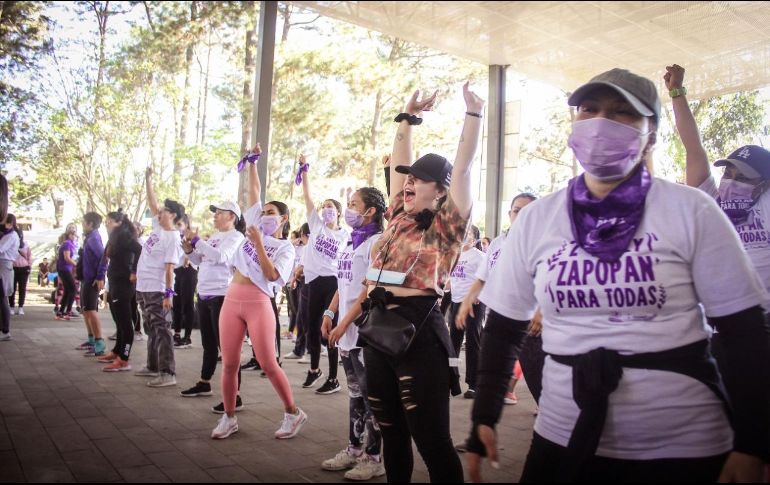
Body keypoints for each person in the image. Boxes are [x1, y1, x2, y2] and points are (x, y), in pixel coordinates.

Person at [465, 68, 770, 483]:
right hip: (561, 431)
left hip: (684, 442)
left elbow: (744, 331)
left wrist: (753, 443)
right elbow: (503, 326)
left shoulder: (692, 210)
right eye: (589, 109)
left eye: (623, 113)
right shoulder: (538, 218)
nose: (601, 123)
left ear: (652, 133)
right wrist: (484, 414)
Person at [333, 83, 483, 483]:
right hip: (378, 327)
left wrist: (474, 114)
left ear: (442, 191)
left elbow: (464, 167)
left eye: (420, 179)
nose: (409, 183)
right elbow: (400, 157)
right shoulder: (399, 213)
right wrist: (406, 116)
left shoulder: (448, 225)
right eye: (408, 179)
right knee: (391, 431)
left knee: (431, 439)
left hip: (418, 333)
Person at [211, 143, 307, 440]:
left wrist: (260, 245)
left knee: (267, 362)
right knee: (229, 363)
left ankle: (293, 412)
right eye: (263, 211)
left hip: (258, 303)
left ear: (283, 220)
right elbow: (254, 189)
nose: (264, 214)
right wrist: (253, 161)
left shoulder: (286, 247)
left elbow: (272, 275)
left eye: (271, 213)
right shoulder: (253, 225)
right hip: (232, 299)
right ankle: (229, 417)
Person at [322, 186, 387, 480]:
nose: (348, 209)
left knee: (372, 396)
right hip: (345, 330)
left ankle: (374, 457)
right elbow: (343, 283)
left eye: (353, 204)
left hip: (362, 332)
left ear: (370, 211)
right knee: (354, 393)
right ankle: (353, 449)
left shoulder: (376, 242)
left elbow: (367, 290)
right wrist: (329, 312)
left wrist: (345, 322)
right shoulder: (349, 243)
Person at [457, 193, 538, 405]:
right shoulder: (498, 243)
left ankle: (549, 416)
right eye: (517, 210)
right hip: (498, 317)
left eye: (528, 211)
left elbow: (549, 284)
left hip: (529, 320)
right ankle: (483, 425)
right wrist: (467, 300)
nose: (521, 215)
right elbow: (482, 277)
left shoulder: (542, 242)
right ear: (510, 213)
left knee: (535, 371)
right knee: (490, 370)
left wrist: (541, 313)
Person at [179, 197, 245, 401]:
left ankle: (236, 395)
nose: (215, 216)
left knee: (227, 348)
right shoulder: (215, 236)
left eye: (219, 212)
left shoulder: (236, 237)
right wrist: (190, 251)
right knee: (208, 344)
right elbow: (201, 261)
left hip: (222, 296)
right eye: (215, 212)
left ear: (231, 216)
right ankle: (204, 383)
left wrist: (198, 242)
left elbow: (221, 257)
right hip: (205, 293)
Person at [296, 154, 350, 394]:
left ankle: (333, 377)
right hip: (312, 282)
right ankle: (314, 370)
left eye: (331, 207)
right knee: (310, 327)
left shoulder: (345, 235)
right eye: (324, 206)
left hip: (333, 284)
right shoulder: (316, 226)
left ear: (338, 212)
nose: (326, 210)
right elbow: (307, 197)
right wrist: (304, 169)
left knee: (329, 329)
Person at [134, 167, 185, 388]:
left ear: (173, 215)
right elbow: (152, 202)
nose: (159, 212)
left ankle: (168, 372)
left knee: (162, 329)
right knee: (151, 327)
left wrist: (168, 294)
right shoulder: (158, 228)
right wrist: (148, 179)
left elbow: (170, 269)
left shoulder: (173, 238)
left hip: (157, 288)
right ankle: (152, 366)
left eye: (164, 211)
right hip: (144, 287)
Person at [100, 210, 143, 371]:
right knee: (118, 320)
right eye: (106, 221)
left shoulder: (124, 235)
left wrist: (134, 271)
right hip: (115, 282)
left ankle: (124, 359)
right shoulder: (115, 237)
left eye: (109, 221)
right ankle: (117, 351)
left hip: (124, 283)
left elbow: (139, 250)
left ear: (118, 222)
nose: (107, 224)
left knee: (126, 323)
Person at [447, 225, 486, 399]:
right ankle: (451, 379)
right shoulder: (455, 254)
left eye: (468, 234)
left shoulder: (479, 257)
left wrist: (479, 295)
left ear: (475, 238)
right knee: (452, 343)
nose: (464, 236)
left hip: (474, 304)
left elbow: (487, 279)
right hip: (456, 301)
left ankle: (473, 384)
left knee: (472, 341)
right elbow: (449, 280)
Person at [79, 212, 108, 357]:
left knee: (91, 310)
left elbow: (104, 257)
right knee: (85, 310)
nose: (82, 224)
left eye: (84, 222)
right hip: (86, 278)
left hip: (92, 280)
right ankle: (91, 340)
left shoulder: (94, 238)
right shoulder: (90, 238)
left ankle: (99, 343)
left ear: (90, 224)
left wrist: (100, 276)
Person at [284, 223, 311, 361]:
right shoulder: (302, 248)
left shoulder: (309, 248)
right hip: (301, 282)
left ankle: (306, 349)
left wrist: (295, 276)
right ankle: (301, 349)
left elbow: (301, 268)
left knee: (304, 317)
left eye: (301, 235)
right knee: (300, 315)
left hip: (308, 283)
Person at [173, 215, 198, 349]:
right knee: (176, 303)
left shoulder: (192, 236)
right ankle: (176, 333)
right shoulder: (173, 236)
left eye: (179, 224)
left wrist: (188, 258)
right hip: (176, 271)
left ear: (186, 225)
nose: (177, 227)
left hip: (189, 271)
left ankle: (187, 337)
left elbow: (195, 252)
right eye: (175, 224)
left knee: (187, 303)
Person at [0, 214, 20, 340]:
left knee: (2, 298)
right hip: (4, 265)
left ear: (10, 223)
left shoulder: (11, 236)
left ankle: (5, 330)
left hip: (4, 265)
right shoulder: (9, 235)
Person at [9, 216, 32, 315]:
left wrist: (29, 267)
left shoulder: (26, 245)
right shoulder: (10, 244)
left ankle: (21, 307)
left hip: (24, 268)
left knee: (22, 288)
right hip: (13, 268)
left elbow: (29, 256)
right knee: (12, 288)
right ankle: (11, 307)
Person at [56, 225, 79, 322]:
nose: (74, 236)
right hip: (64, 269)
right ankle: (68, 311)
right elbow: (67, 258)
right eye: (73, 234)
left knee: (68, 290)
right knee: (73, 289)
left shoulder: (71, 244)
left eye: (75, 234)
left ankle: (61, 312)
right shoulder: (67, 244)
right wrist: (77, 265)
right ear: (68, 235)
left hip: (66, 269)